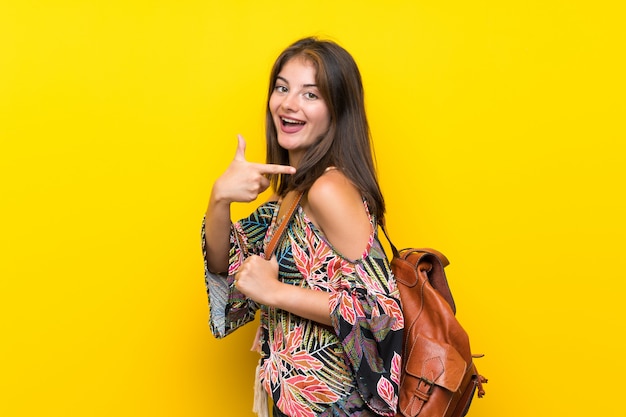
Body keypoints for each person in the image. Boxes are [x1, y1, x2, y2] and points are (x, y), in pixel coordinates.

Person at [202, 37, 404, 417]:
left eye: (310, 94)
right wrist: (219, 199)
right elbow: (226, 270)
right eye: (282, 87)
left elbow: (381, 312)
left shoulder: (329, 189)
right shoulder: (293, 198)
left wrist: (275, 292)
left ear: (337, 111)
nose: (288, 103)